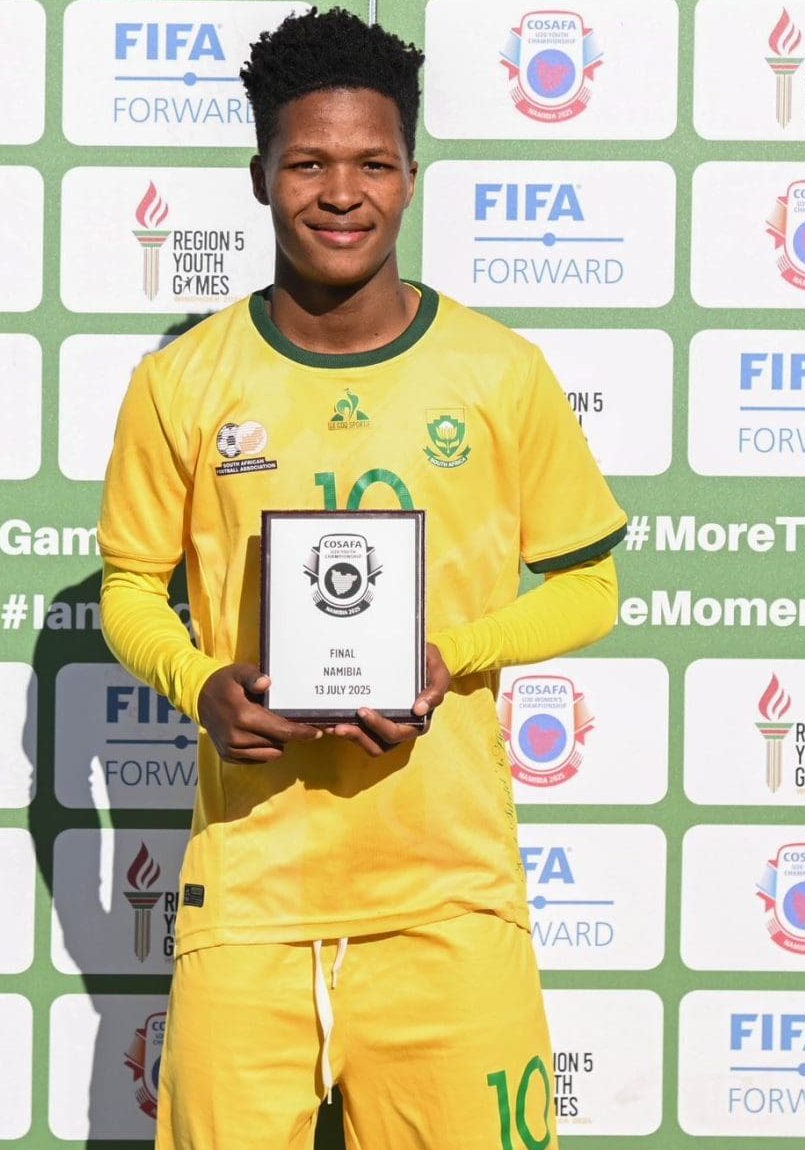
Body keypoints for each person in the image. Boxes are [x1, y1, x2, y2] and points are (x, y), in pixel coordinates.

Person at [96, 9, 626, 1147]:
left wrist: (455, 656)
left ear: (413, 177)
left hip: (448, 902)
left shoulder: (499, 371)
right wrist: (200, 683)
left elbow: (591, 588)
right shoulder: (182, 383)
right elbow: (131, 590)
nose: (343, 192)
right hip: (248, 905)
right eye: (310, 162)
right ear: (260, 177)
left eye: (373, 162)